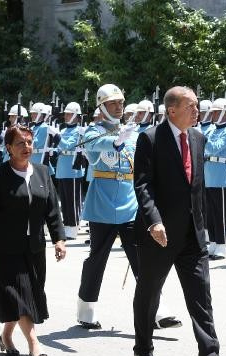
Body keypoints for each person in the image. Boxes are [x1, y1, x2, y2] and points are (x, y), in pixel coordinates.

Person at [133, 86, 226, 356]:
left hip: (193, 233)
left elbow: (197, 187)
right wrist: (154, 221)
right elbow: (142, 184)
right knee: (149, 293)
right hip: (160, 234)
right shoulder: (150, 138)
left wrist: (205, 224)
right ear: (172, 110)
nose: (196, 110)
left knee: (200, 294)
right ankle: (143, 349)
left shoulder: (198, 137)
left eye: (197, 105)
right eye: (190, 106)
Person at [77, 84, 181, 330]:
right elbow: (91, 146)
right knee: (97, 258)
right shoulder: (94, 130)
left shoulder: (132, 133)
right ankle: (86, 308)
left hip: (129, 201)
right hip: (102, 201)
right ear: (101, 107)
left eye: (121, 103)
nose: (119, 107)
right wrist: (115, 142)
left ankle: (158, 309)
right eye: (113, 104)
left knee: (143, 258)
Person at [0, 125, 66, 356]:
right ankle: (34, 346)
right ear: (8, 148)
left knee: (30, 295)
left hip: (35, 246)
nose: (26, 147)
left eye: (29, 142)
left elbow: (52, 210)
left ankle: (6, 335)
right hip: (5, 248)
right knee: (22, 294)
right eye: (20, 143)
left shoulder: (42, 172)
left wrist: (59, 238)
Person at [204, 98, 226, 260]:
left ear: (225, 113)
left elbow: (215, 149)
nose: (213, 115)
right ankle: (214, 242)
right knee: (210, 213)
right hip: (208, 174)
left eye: (216, 112)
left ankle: (222, 245)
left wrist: (202, 140)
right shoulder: (211, 131)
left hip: (220, 175)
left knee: (220, 213)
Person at [55, 102, 85, 240]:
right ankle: (67, 226)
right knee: (65, 201)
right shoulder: (63, 130)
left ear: (76, 116)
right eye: (66, 114)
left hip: (72, 170)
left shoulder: (78, 131)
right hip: (62, 169)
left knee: (73, 201)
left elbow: (68, 146)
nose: (66, 116)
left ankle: (73, 228)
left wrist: (57, 138)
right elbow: (61, 148)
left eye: (69, 114)